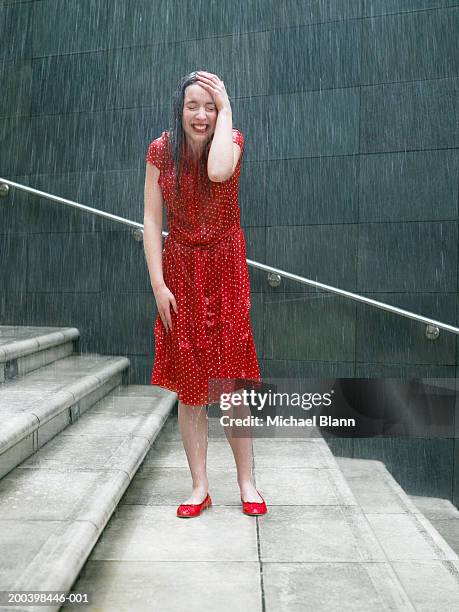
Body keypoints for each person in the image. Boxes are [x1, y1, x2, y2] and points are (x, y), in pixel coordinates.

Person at [143, 70, 267, 518]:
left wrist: (228, 106)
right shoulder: (161, 151)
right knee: (191, 386)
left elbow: (217, 172)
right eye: (193, 105)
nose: (201, 115)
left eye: (209, 106)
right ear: (180, 110)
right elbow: (152, 221)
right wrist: (159, 284)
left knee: (231, 382)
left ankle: (247, 483)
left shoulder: (231, 140)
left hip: (225, 267)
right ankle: (199, 487)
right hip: (180, 271)